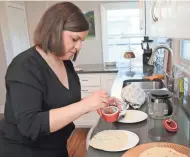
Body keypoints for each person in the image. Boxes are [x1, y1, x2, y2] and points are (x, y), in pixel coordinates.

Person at [0, 2, 116, 157]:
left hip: (57, 147)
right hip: (25, 151)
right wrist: (85, 105)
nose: (79, 47)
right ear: (54, 29)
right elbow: (31, 125)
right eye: (75, 39)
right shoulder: (24, 66)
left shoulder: (65, 62)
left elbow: (62, 102)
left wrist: (95, 103)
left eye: (82, 40)